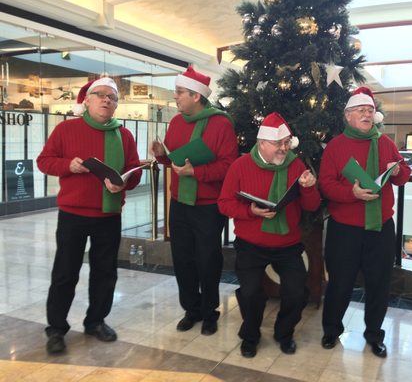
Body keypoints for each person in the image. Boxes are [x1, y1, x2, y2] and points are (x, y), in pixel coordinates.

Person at [36, 77, 142, 355]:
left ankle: (96, 321)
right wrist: (67, 165)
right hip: (73, 214)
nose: (107, 100)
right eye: (101, 95)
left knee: (105, 272)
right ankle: (56, 329)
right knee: (65, 272)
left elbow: (134, 169)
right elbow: (44, 161)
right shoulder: (66, 129)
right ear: (87, 100)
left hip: (109, 214)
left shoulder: (124, 135)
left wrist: (124, 182)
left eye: (113, 97)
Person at [218, 112, 320, 358]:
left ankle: (284, 333)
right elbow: (224, 204)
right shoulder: (240, 166)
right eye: (278, 144)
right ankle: (250, 335)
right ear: (262, 143)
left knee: (297, 292)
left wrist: (308, 188)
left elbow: (312, 207)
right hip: (251, 243)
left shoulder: (296, 165)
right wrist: (250, 211)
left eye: (287, 143)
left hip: (288, 244)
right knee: (251, 293)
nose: (284, 148)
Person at [318, 87, 411, 358]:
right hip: (344, 229)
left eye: (370, 111)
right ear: (348, 116)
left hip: (380, 228)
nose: (367, 115)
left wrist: (398, 170)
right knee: (339, 283)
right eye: (361, 111)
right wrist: (352, 193)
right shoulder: (335, 146)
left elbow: (403, 175)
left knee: (380, 284)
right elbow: (326, 185)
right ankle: (331, 330)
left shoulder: (385, 143)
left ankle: (374, 336)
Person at [151, 66, 238, 336]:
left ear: (196, 96)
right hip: (179, 202)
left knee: (208, 260)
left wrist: (196, 172)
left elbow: (229, 166)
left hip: (208, 206)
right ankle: (191, 309)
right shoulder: (176, 123)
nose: (175, 97)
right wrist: (162, 156)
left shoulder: (221, 123)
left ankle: (209, 310)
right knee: (183, 259)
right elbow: (175, 160)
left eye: (179, 93)